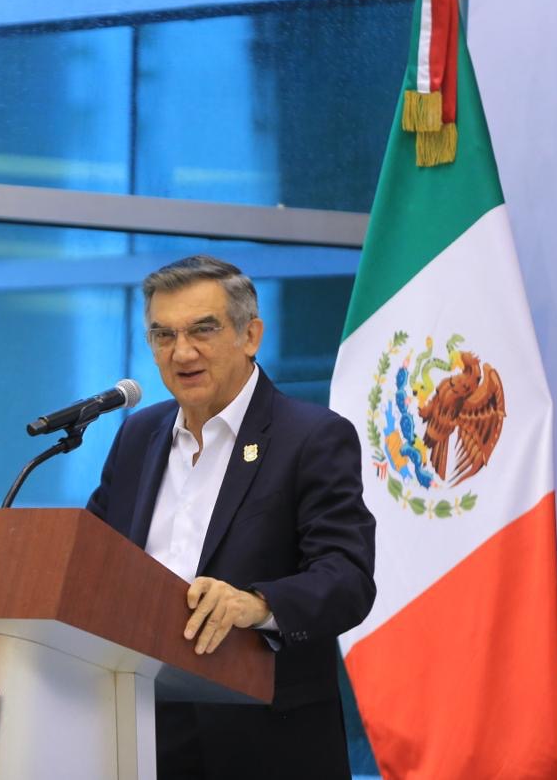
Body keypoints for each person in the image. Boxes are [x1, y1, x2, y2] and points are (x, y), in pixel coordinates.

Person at [87, 255, 377, 778]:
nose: (182, 352)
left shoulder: (311, 436)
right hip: (136, 729)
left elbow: (347, 578)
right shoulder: (137, 435)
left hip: (262, 740)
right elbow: (92, 560)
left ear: (250, 335)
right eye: (163, 335)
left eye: (203, 330)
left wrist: (258, 604)